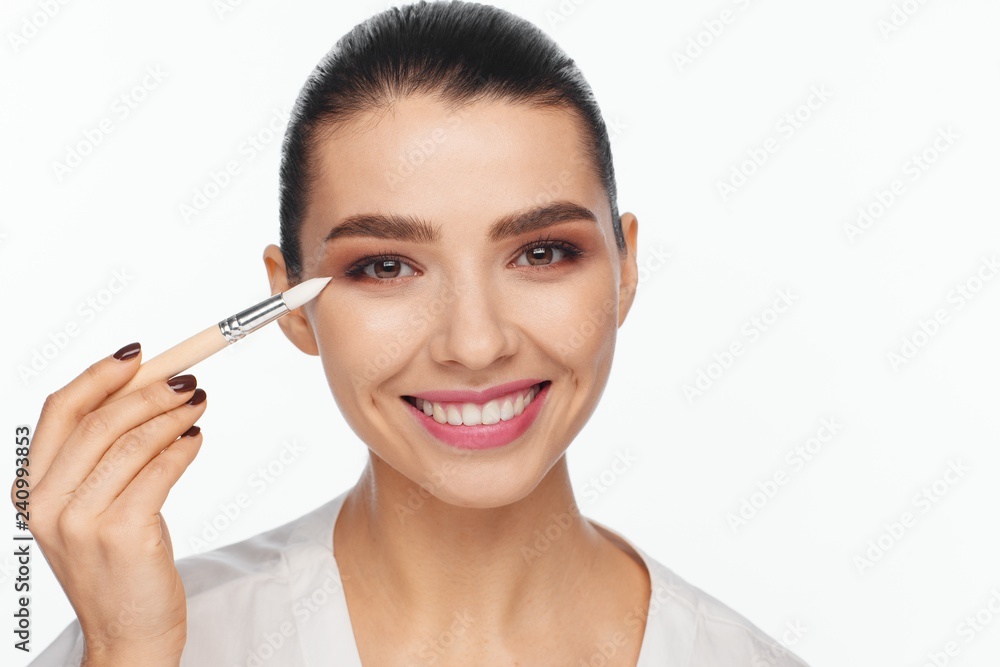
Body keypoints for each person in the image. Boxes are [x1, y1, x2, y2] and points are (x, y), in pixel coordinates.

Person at [19, 2, 809, 665]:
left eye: (541, 252)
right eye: (387, 266)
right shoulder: (144, 640)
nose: (474, 343)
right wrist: (128, 648)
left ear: (626, 266)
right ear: (292, 303)